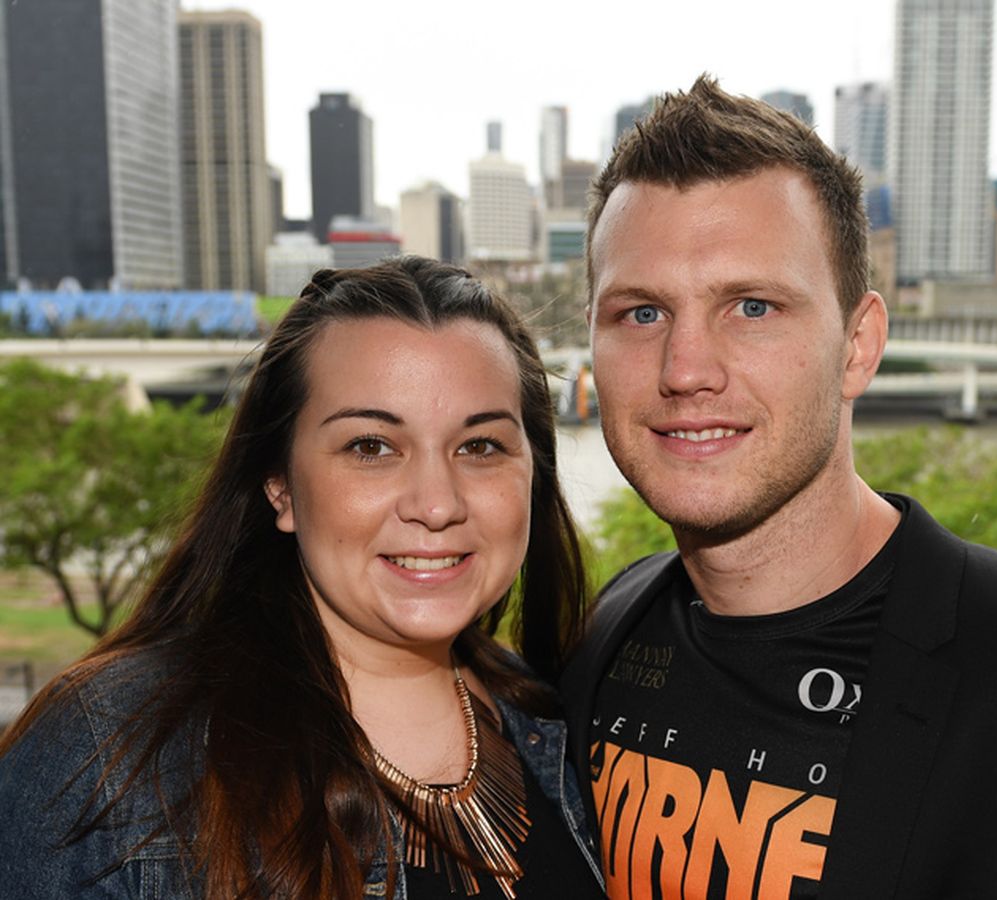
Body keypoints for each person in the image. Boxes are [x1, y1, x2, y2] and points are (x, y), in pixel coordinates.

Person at [560, 76, 997, 899]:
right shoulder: (602, 633)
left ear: (859, 346)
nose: (686, 370)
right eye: (641, 314)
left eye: (752, 307)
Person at [0, 257, 605, 899]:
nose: (437, 504)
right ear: (280, 487)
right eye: (371, 446)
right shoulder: (107, 752)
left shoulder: (554, 719)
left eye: (479, 446)